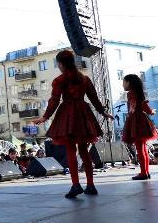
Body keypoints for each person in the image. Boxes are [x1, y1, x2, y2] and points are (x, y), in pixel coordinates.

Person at [33, 50, 114, 199]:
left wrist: (45, 116)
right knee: (84, 150)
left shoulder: (60, 80)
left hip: (68, 114)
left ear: (61, 64)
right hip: (83, 114)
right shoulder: (84, 79)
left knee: (71, 149)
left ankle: (76, 185)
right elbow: (94, 98)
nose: (58, 66)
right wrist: (103, 112)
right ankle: (90, 185)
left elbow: (55, 100)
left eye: (58, 63)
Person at [121, 74, 158, 180]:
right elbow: (144, 105)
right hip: (142, 120)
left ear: (129, 82)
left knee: (140, 148)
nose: (122, 84)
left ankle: (143, 173)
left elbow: (134, 107)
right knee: (143, 149)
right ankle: (146, 172)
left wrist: (130, 117)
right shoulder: (138, 93)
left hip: (136, 122)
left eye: (124, 82)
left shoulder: (131, 93)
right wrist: (151, 111)